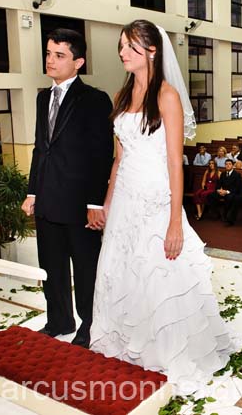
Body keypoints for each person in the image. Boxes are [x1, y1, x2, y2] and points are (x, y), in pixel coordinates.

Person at [89, 20, 234, 395]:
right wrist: (105, 205)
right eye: (121, 46)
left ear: (151, 51)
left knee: (158, 278)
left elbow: (174, 162)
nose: (122, 52)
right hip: (124, 201)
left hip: (156, 199)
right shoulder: (123, 96)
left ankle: (164, 353)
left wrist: (174, 223)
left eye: (129, 46)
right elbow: (117, 159)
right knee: (119, 274)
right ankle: (125, 349)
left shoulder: (166, 96)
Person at [22, 28, 114, 348]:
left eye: (59, 55)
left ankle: (89, 324)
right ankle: (58, 319)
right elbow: (39, 148)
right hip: (47, 200)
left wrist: (94, 202)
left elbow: (101, 153)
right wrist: (32, 192)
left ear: (78, 62)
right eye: (48, 53)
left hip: (79, 203)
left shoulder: (94, 100)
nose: (51, 60)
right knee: (52, 267)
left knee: (85, 270)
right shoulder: (41, 97)